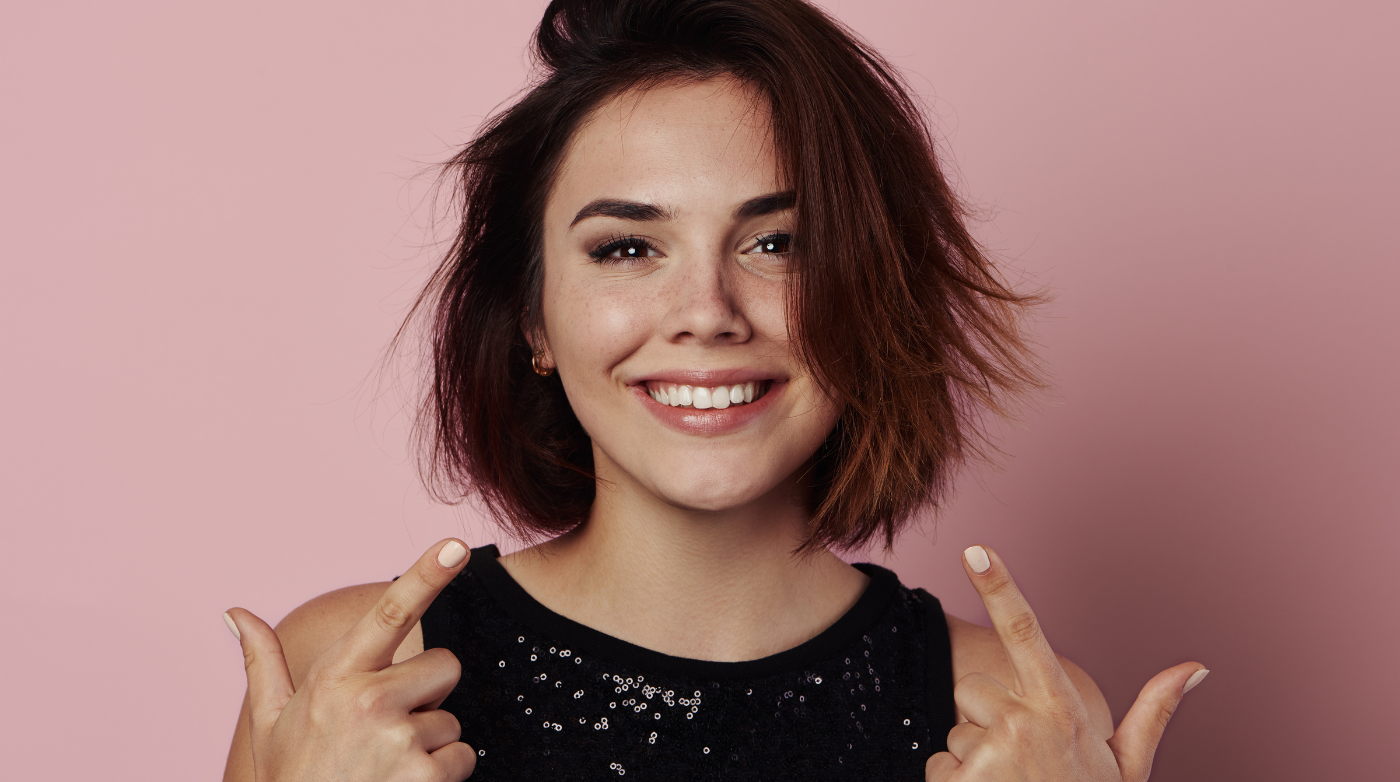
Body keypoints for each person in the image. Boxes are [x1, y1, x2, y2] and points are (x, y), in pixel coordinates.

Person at [221, 1, 1206, 779]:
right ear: (533, 320)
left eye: (778, 242)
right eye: (626, 247)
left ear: (872, 291)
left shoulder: (1019, 711)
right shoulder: (351, 677)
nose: (707, 310)